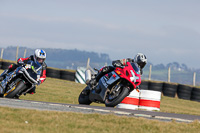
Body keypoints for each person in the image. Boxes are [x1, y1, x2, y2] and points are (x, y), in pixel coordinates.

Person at [82, 53, 147, 95]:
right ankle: (95, 80)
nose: (141, 65)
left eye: (143, 64)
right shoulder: (129, 61)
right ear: (136, 59)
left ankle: (117, 95)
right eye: (140, 62)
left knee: (130, 91)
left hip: (128, 79)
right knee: (107, 68)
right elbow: (118, 61)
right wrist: (117, 63)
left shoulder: (140, 71)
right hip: (119, 71)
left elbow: (137, 78)